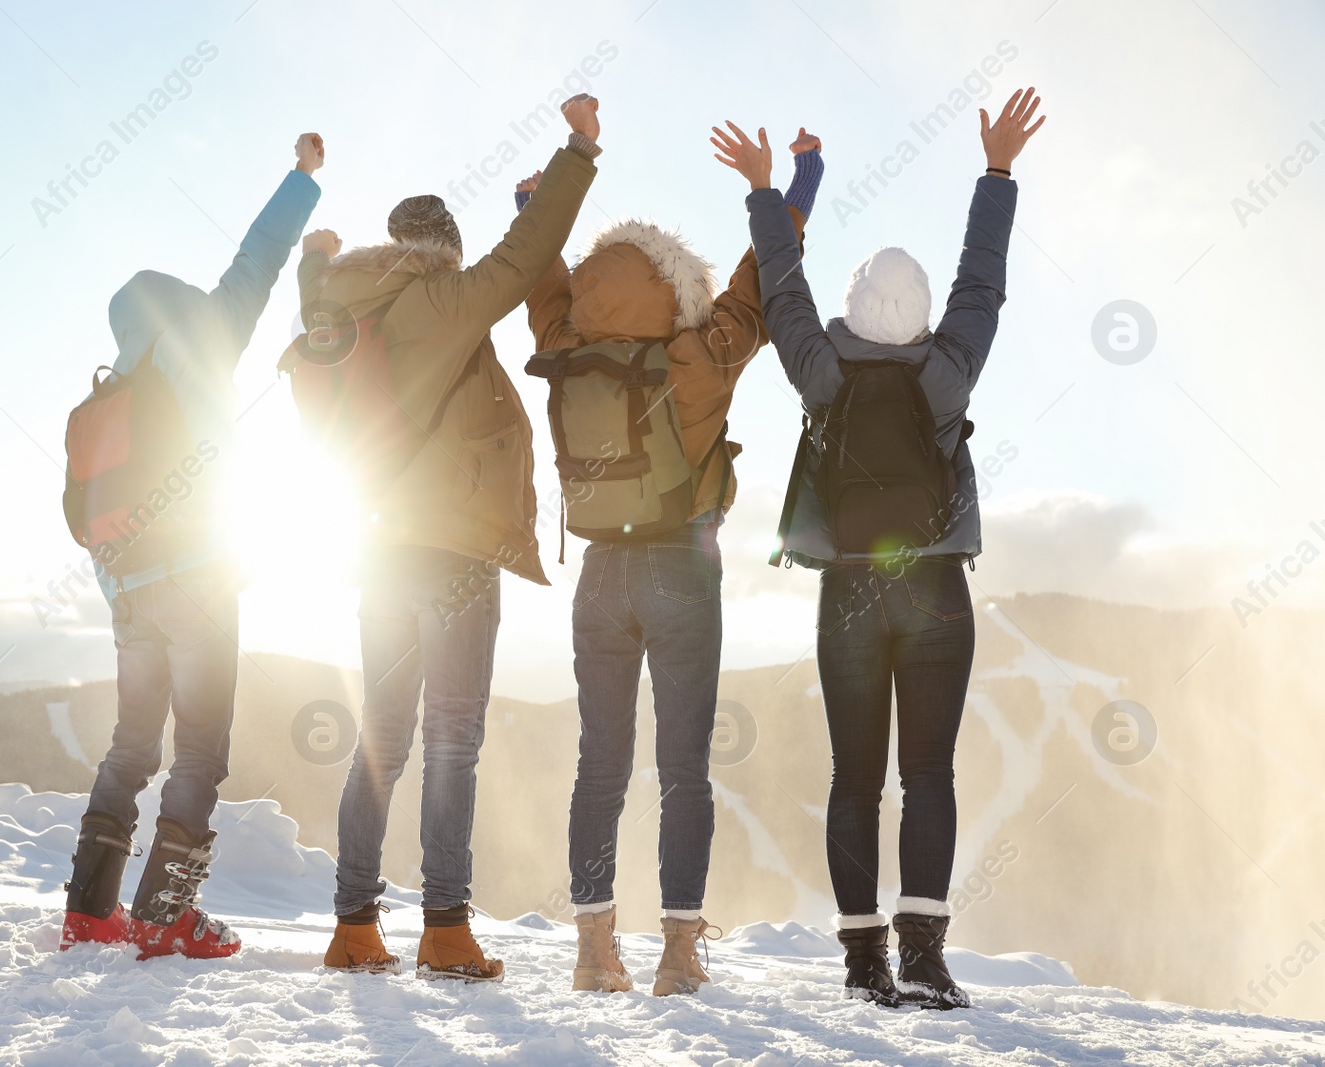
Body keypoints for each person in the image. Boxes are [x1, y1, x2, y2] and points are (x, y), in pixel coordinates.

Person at [740, 88, 1045, 1008]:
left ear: (854, 309)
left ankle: (862, 959)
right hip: (937, 589)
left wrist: (765, 191)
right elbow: (980, 281)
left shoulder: (822, 372)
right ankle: (924, 954)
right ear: (915, 318)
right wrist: (996, 172)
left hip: (849, 597)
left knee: (854, 779)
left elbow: (779, 285)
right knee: (928, 774)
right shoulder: (948, 369)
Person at [304, 96, 603, 982]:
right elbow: (526, 255)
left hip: (379, 550)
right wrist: (578, 150)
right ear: (445, 251)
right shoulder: (447, 298)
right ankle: (444, 926)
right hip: (455, 559)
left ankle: (355, 925)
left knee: (380, 739)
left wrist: (312, 264)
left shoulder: (343, 312)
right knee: (452, 740)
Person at [520, 123, 823, 995]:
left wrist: (534, 211)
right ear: (670, 286)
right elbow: (757, 286)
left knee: (600, 760)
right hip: (682, 573)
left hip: (598, 577)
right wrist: (793, 184)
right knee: (684, 766)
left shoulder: (567, 350)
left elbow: (544, 291)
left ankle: (591, 946)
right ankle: (680, 952)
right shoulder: (696, 358)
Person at [60, 133, 327, 960]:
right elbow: (259, 255)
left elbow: (92, 512)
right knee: (202, 747)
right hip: (199, 583)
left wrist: (120, 599)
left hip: (129, 593)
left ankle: (89, 909)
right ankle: (166, 912)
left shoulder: (109, 394)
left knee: (131, 745)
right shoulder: (203, 335)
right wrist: (303, 181)